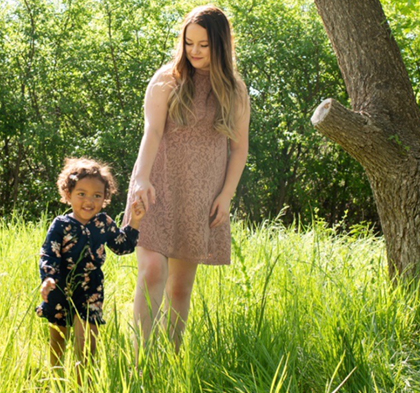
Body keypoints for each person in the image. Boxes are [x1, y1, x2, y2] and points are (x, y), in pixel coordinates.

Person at [124, 5, 250, 352]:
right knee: (151, 271)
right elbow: (151, 132)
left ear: (221, 45)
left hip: (200, 194)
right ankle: (139, 363)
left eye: (204, 45)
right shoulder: (168, 78)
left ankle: (171, 360)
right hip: (157, 185)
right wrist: (141, 180)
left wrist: (227, 194)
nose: (194, 51)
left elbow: (239, 149)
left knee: (180, 288)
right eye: (189, 42)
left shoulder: (235, 91)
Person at [36, 157, 146, 382]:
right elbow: (49, 253)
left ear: (105, 198)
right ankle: (56, 379)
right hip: (60, 284)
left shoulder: (103, 223)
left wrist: (135, 222)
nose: (89, 201)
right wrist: (48, 278)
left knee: (88, 335)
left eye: (97, 195)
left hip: (91, 285)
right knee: (59, 335)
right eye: (81, 194)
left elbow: (122, 246)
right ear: (68, 195)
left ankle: (83, 381)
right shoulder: (61, 225)